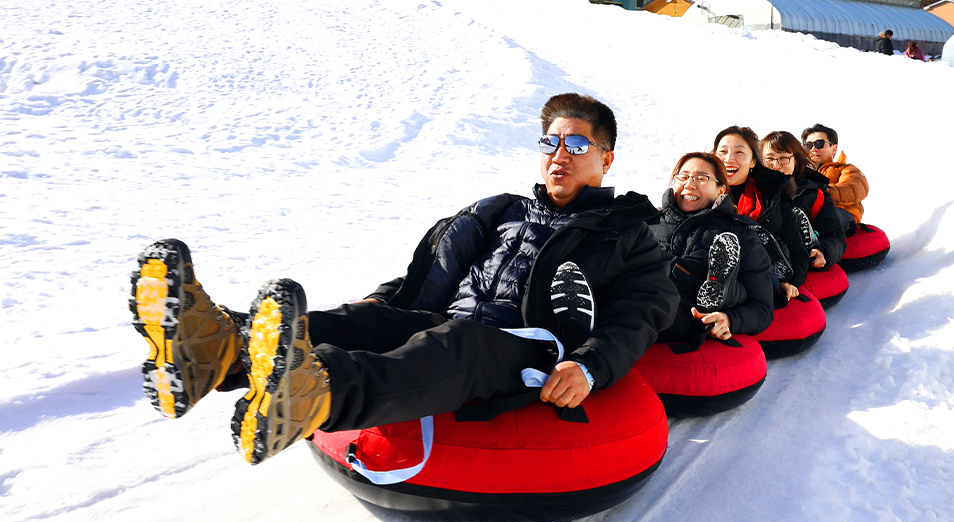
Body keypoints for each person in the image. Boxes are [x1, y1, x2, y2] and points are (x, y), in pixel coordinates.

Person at [130, 93, 679, 466]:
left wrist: (591, 364)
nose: (560, 155)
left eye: (577, 145)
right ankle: (219, 350)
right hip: (448, 321)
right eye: (550, 143)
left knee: (457, 342)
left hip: (531, 349)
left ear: (606, 159)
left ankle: (315, 394)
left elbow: (642, 313)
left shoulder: (628, 232)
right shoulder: (502, 210)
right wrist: (385, 300)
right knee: (366, 320)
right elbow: (433, 272)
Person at [647, 153, 773, 347]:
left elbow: (762, 307)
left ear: (720, 189)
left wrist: (729, 319)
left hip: (686, 314)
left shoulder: (738, 233)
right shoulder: (648, 223)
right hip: (640, 295)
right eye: (683, 176)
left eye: (701, 178)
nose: (689, 184)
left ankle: (720, 292)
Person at [713, 126, 809, 304]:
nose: (729, 159)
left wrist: (790, 283)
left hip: (762, 270)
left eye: (739, 152)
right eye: (723, 152)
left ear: (752, 162)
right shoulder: (699, 194)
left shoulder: (772, 197)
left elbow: (798, 251)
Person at [760, 131, 846, 270]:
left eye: (783, 158)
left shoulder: (812, 193)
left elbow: (834, 234)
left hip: (797, 251)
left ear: (796, 160)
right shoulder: (752, 190)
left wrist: (824, 251)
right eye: (769, 158)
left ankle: (808, 239)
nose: (775, 165)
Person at [800, 124, 869, 232]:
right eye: (808, 145)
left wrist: (821, 191)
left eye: (819, 144)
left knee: (825, 216)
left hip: (841, 213)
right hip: (810, 213)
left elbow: (853, 188)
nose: (813, 149)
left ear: (834, 149)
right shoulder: (800, 172)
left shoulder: (846, 169)